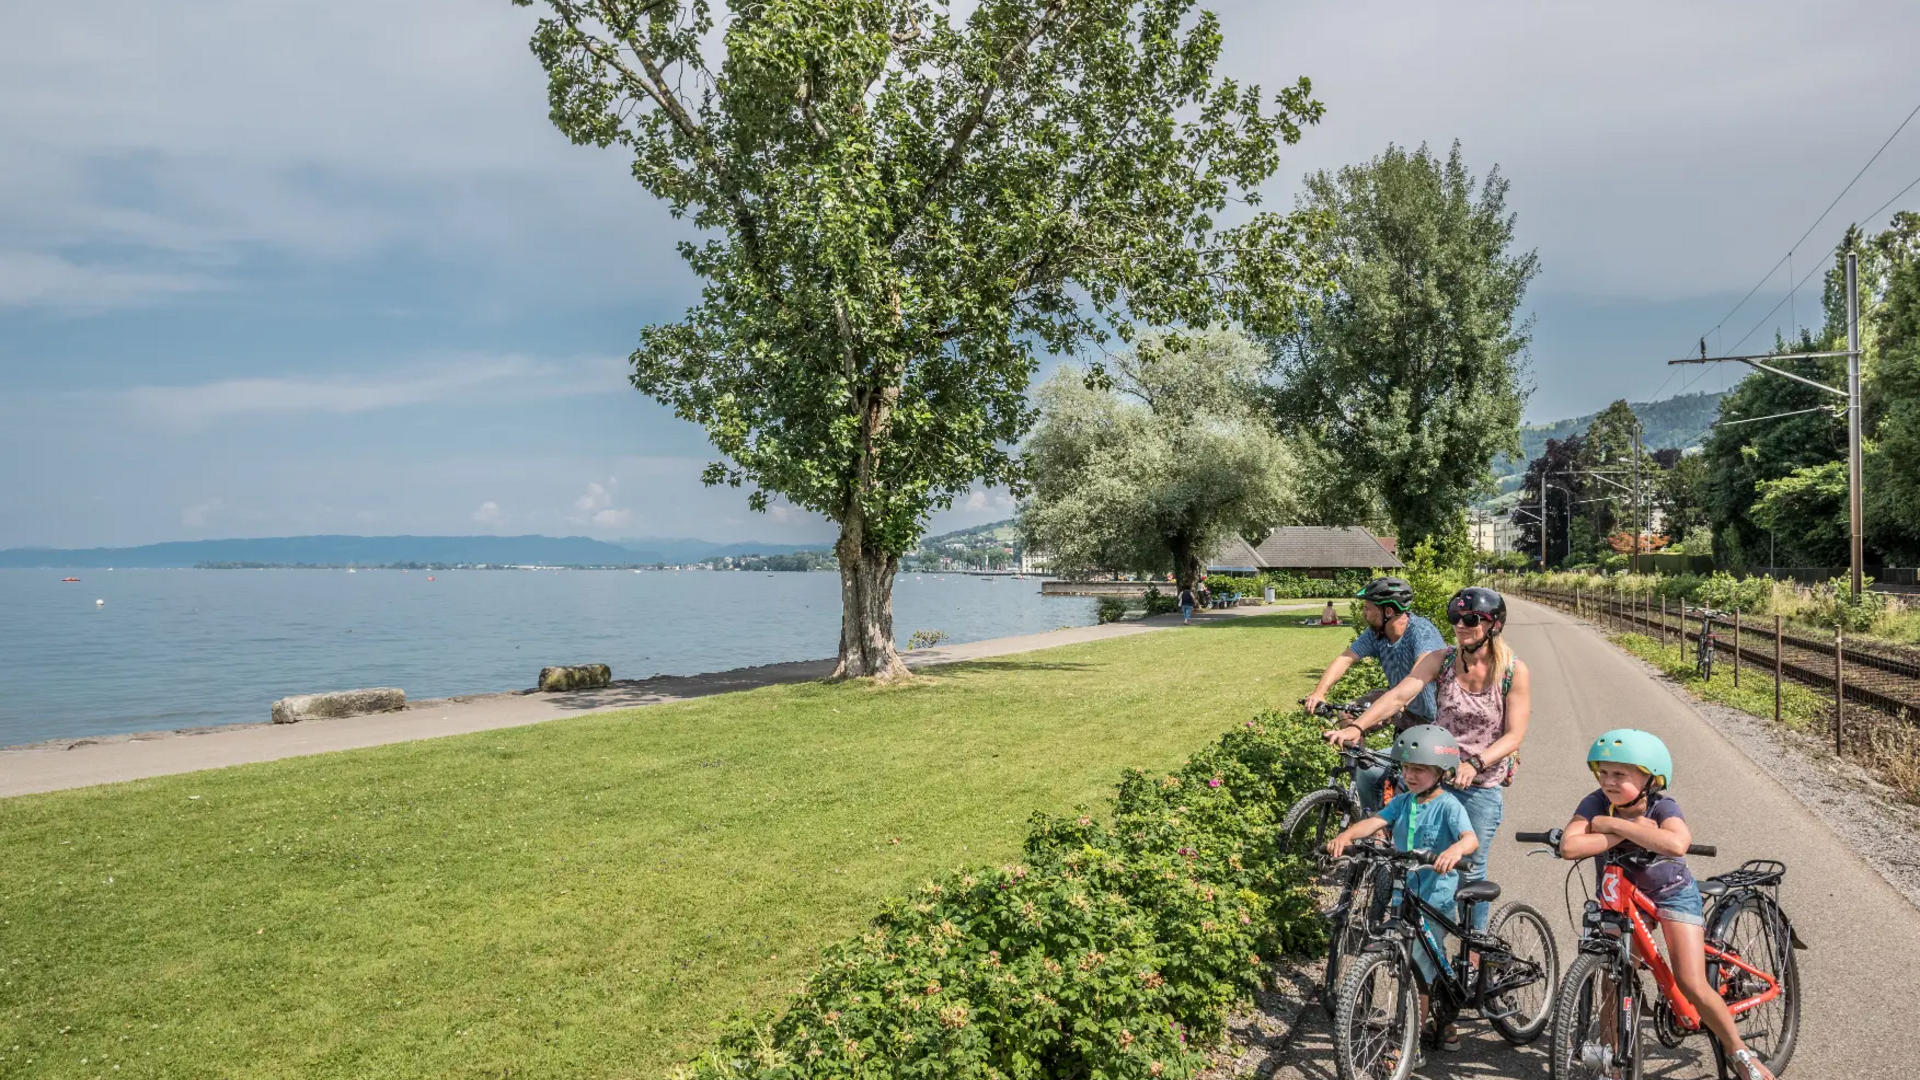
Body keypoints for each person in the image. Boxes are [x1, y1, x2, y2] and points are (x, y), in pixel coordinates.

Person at [1557, 730, 1776, 1080]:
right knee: (1614, 977)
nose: (1609, 782)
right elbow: (1570, 847)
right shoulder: (1594, 802)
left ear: (1649, 779)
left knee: (1691, 981)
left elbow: (1677, 843)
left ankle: (1739, 1053)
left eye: (1620, 775)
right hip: (1623, 898)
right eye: (1604, 773)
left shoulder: (1662, 806)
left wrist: (1609, 826)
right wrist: (1628, 830)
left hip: (1671, 893)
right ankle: (1614, 1061)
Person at [1336, 586, 1531, 931]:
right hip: (1434, 773)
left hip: (1480, 784)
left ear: (1494, 625)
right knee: (1406, 854)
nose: (1460, 625)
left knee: (1469, 865)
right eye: (1455, 618)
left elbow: (1513, 735)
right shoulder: (1441, 660)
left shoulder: (1513, 672)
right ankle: (1398, 931)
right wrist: (1359, 726)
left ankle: (1474, 950)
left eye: (1471, 619)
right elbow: (1400, 694)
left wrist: (1475, 764)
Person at [1327, 725, 1477, 1068]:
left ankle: (1409, 1044)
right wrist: (1348, 835)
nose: (1409, 775)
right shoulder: (1404, 801)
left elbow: (1470, 840)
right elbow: (1377, 820)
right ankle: (1434, 1021)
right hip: (1403, 893)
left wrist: (1454, 851)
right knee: (1404, 961)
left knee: (1419, 968)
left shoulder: (1449, 806)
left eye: (1419, 769)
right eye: (1406, 768)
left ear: (1442, 772)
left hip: (1434, 897)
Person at [1304, 577, 1446, 812]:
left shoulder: (1421, 632)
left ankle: (1390, 810)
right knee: (1347, 712)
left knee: (1412, 790)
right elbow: (1345, 658)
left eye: (1368, 608)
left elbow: (1419, 676)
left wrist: (1399, 704)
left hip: (1430, 719)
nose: (1364, 614)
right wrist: (1319, 692)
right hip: (1398, 703)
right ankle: (1365, 800)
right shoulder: (1376, 634)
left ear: (1388, 611)